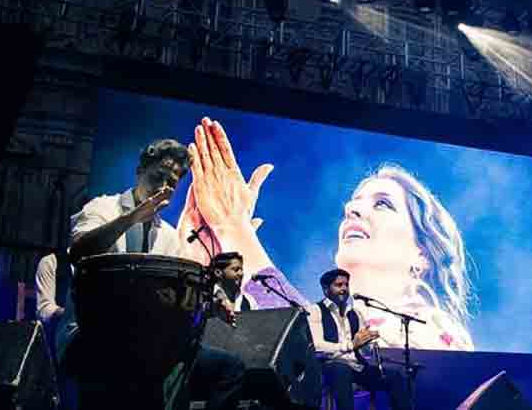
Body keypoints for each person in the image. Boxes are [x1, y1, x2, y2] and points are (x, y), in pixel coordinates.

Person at [176, 116, 474, 351]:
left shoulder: (433, 330)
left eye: (382, 204)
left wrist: (235, 230)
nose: (352, 210)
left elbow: (308, 348)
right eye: (352, 204)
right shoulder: (334, 316)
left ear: (421, 255)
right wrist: (204, 273)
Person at [59, 138, 246, 410]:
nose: (163, 187)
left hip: (150, 341)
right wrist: (132, 218)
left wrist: (215, 300)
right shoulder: (102, 208)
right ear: (139, 172)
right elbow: (79, 252)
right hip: (91, 335)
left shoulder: (170, 237)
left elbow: (192, 280)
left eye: (171, 183)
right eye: (157, 176)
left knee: (228, 367)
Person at [316, 268, 411, 410]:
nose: (344, 289)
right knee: (341, 370)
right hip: (329, 367)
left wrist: (368, 342)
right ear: (325, 289)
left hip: (356, 367)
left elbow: (364, 351)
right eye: (339, 285)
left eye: (346, 285)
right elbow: (317, 347)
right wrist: (351, 345)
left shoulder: (355, 313)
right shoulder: (315, 311)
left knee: (395, 375)